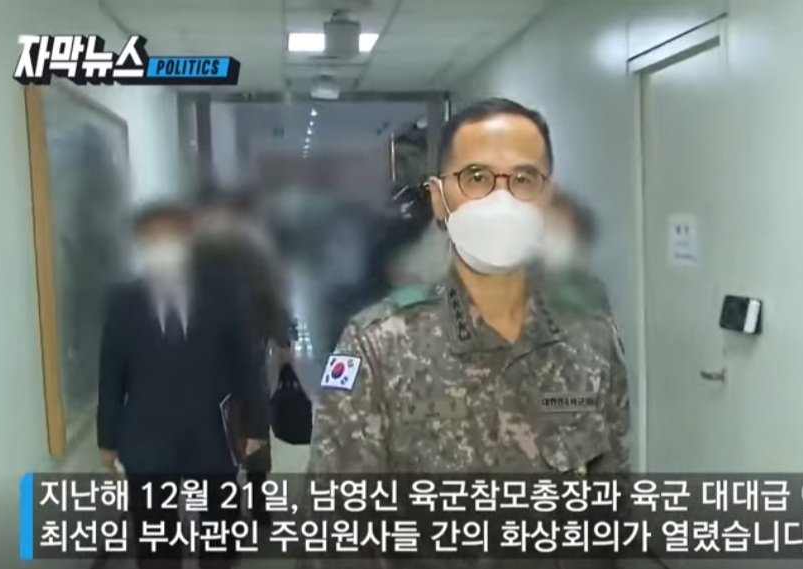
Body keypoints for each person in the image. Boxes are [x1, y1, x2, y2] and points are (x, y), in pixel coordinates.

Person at [303, 98, 630, 567]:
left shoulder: (590, 337)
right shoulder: (377, 347)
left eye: (523, 179)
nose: (501, 201)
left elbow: (610, 512)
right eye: (476, 178)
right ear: (439, 199)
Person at [97, 202, 268, 569]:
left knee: (220, 533)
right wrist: (107, 439)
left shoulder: (224, 294)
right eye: (154, 238)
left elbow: (247, 364)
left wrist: (256, 425)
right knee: (155, 540)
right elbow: (111, 376)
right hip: (146, 437)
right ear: (142, 244)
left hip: (212, 435)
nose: (164, 245)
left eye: (171, 236)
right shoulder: (123, 301)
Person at [192, 190, 291, 527]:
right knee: (238, 422)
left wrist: (281, 338)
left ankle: (245, 500)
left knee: (242, 422)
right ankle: (244, 502)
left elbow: (271, 294)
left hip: (235, 349)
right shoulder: (236, 250)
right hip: (226, 350)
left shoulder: (244, 251)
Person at [537, 190, 613, 318]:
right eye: (547, 227)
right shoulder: (526, 281)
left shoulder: (586, 291)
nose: (550, 238)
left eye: (559, 228)